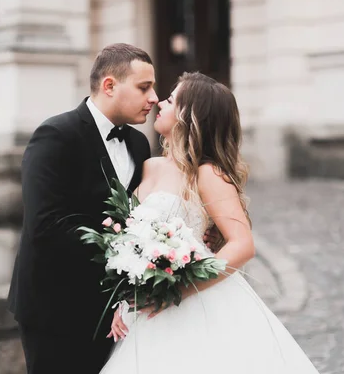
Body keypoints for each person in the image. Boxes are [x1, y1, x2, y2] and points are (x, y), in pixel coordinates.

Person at [99, 72, 321, 373]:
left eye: (170, 99)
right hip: (141, 309)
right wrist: (124, 299)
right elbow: (131, 241)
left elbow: (242, 244)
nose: (159, 103)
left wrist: (180, 291)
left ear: (188, 116)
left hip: (190, 301)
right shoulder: (149, 166)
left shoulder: (206, 174)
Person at [7, 43, 159, 374]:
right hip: (55, 309)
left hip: (117, 311)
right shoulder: (55, 136)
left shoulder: (138, 143)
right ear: (109, 86)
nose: (154, 98)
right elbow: (45, 224)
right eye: (144, 87)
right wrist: (125, 249)